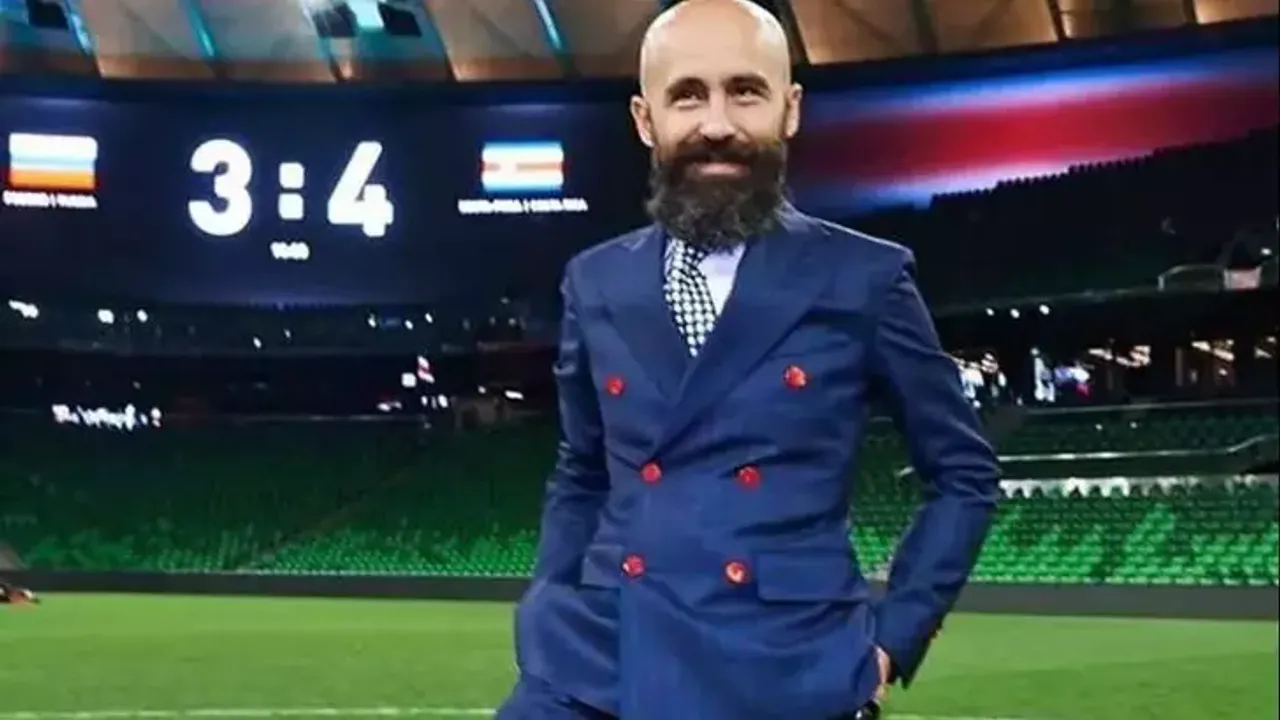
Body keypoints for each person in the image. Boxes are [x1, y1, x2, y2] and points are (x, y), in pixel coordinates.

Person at [496, 1, 1001, 717]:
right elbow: (582, 470)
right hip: (595, 666)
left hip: (787, 670)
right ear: (645, 120)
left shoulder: (866, 277)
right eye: (687, 95)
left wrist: (895, 635)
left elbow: (964, 474)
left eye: (745, 91)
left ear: (789, 109)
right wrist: (548, 600)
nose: (717, 124)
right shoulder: (594, 280)